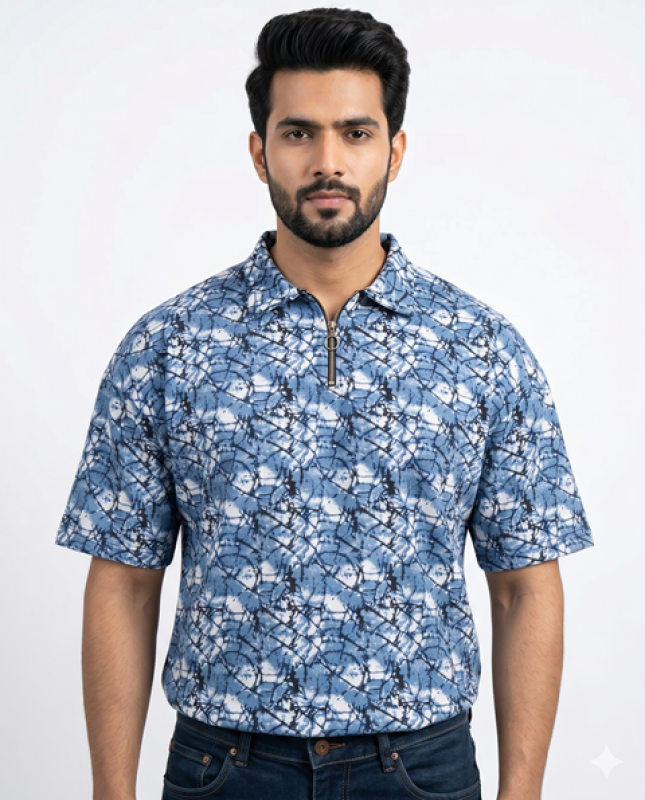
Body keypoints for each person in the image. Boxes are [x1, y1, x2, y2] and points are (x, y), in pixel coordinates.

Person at [56, 8, 593, 800]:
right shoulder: (168, 346)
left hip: (420, 768)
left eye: (356, 132)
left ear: (394, 150)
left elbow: (524, 586)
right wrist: (111, 793)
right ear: (259, 151)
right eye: (299, 133)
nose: (328, 162)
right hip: (223, 768)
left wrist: (522, 794)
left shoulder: (481, 349)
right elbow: (123, 582)